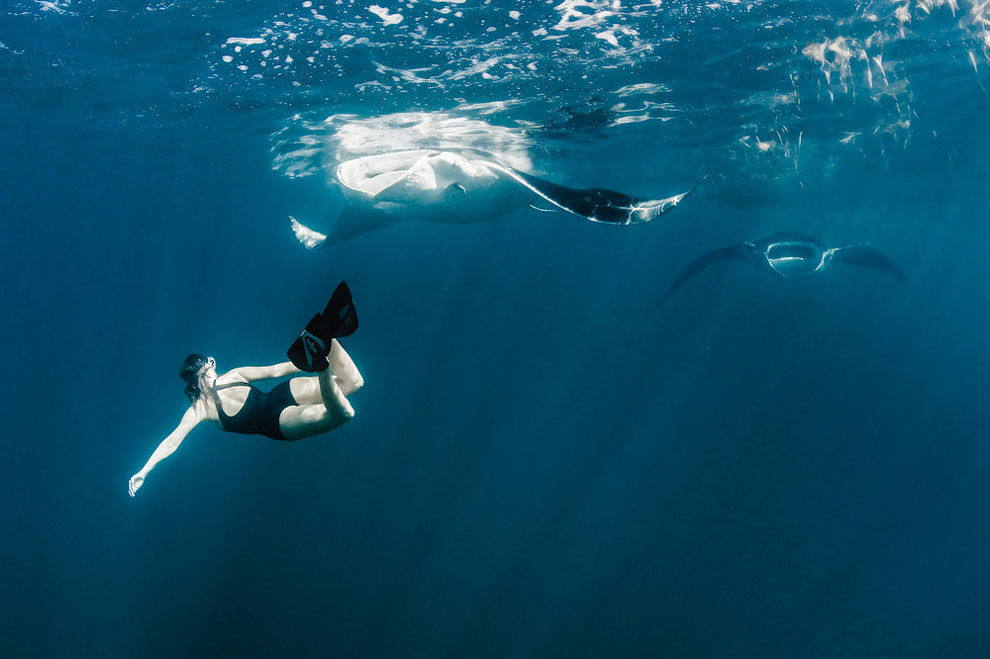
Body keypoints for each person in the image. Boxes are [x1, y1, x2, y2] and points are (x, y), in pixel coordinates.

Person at [127, 281, 363, 497]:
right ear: (210, 363)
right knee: (353, 383)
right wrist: (305, 361)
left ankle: (320, 361)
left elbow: (171, 442)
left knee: (344, 413)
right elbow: (278, 371)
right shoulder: (235, 374)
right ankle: (324, 334)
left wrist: (144, 471)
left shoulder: (199, 410)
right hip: (282, 392)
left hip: (280, 423)